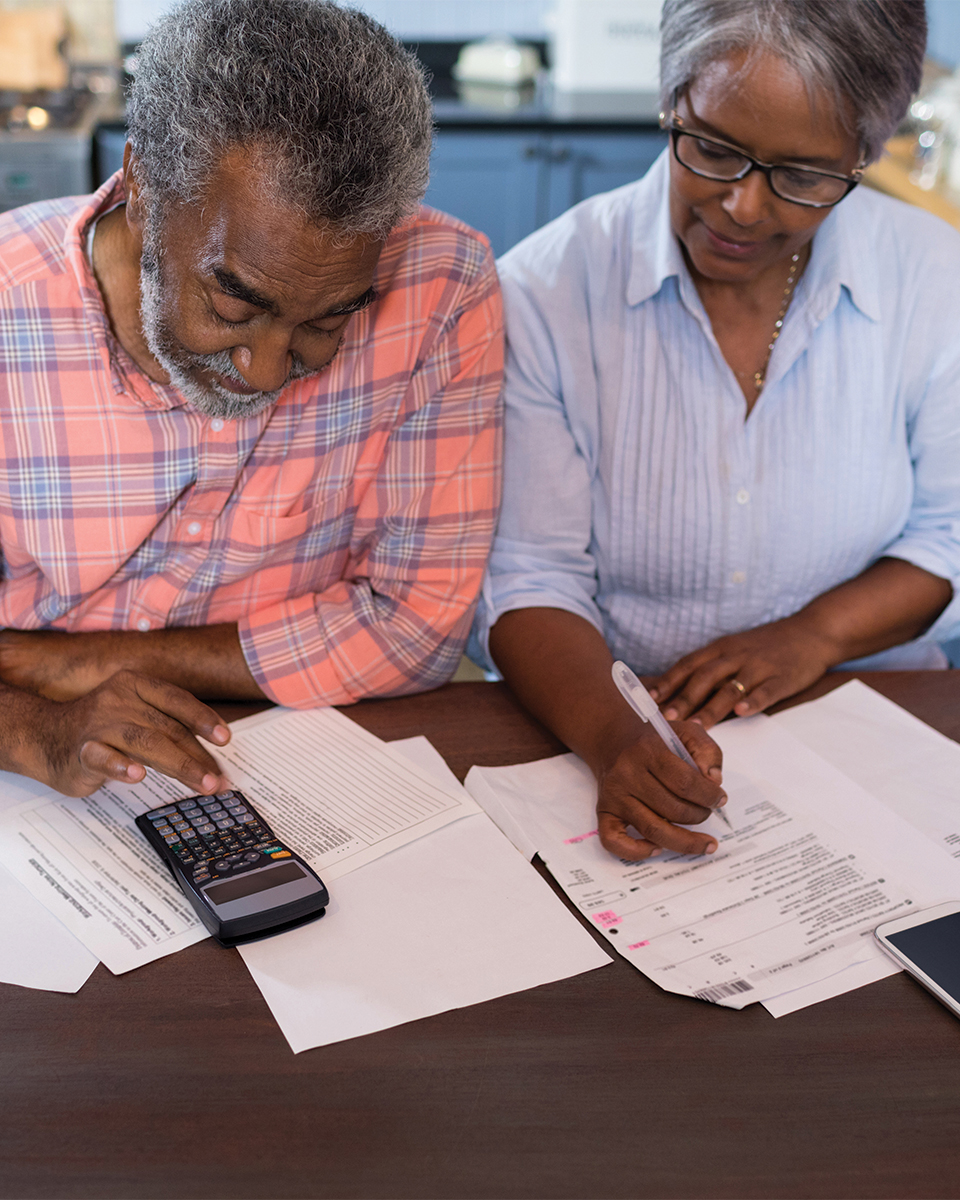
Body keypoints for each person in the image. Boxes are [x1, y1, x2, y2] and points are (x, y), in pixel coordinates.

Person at [473, 0, 960, 861]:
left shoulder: (934, 279)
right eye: (712, 148)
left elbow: (948, 534)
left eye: (804, 177)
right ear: (672, 98)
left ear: (865, 153)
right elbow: (529, 577)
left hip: (880, 729)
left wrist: (815, 636)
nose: (740, 207)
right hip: (629, 724)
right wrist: (617, 735)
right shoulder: (546, 294)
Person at [0, 0, 503, 798]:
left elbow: (420, 627)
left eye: (330, 317)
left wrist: (88, 661)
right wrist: (32, 726)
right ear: (144, 187)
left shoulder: (442, 286)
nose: (268, 374)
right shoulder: (8, 306)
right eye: (234, 305)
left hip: (309, 757)